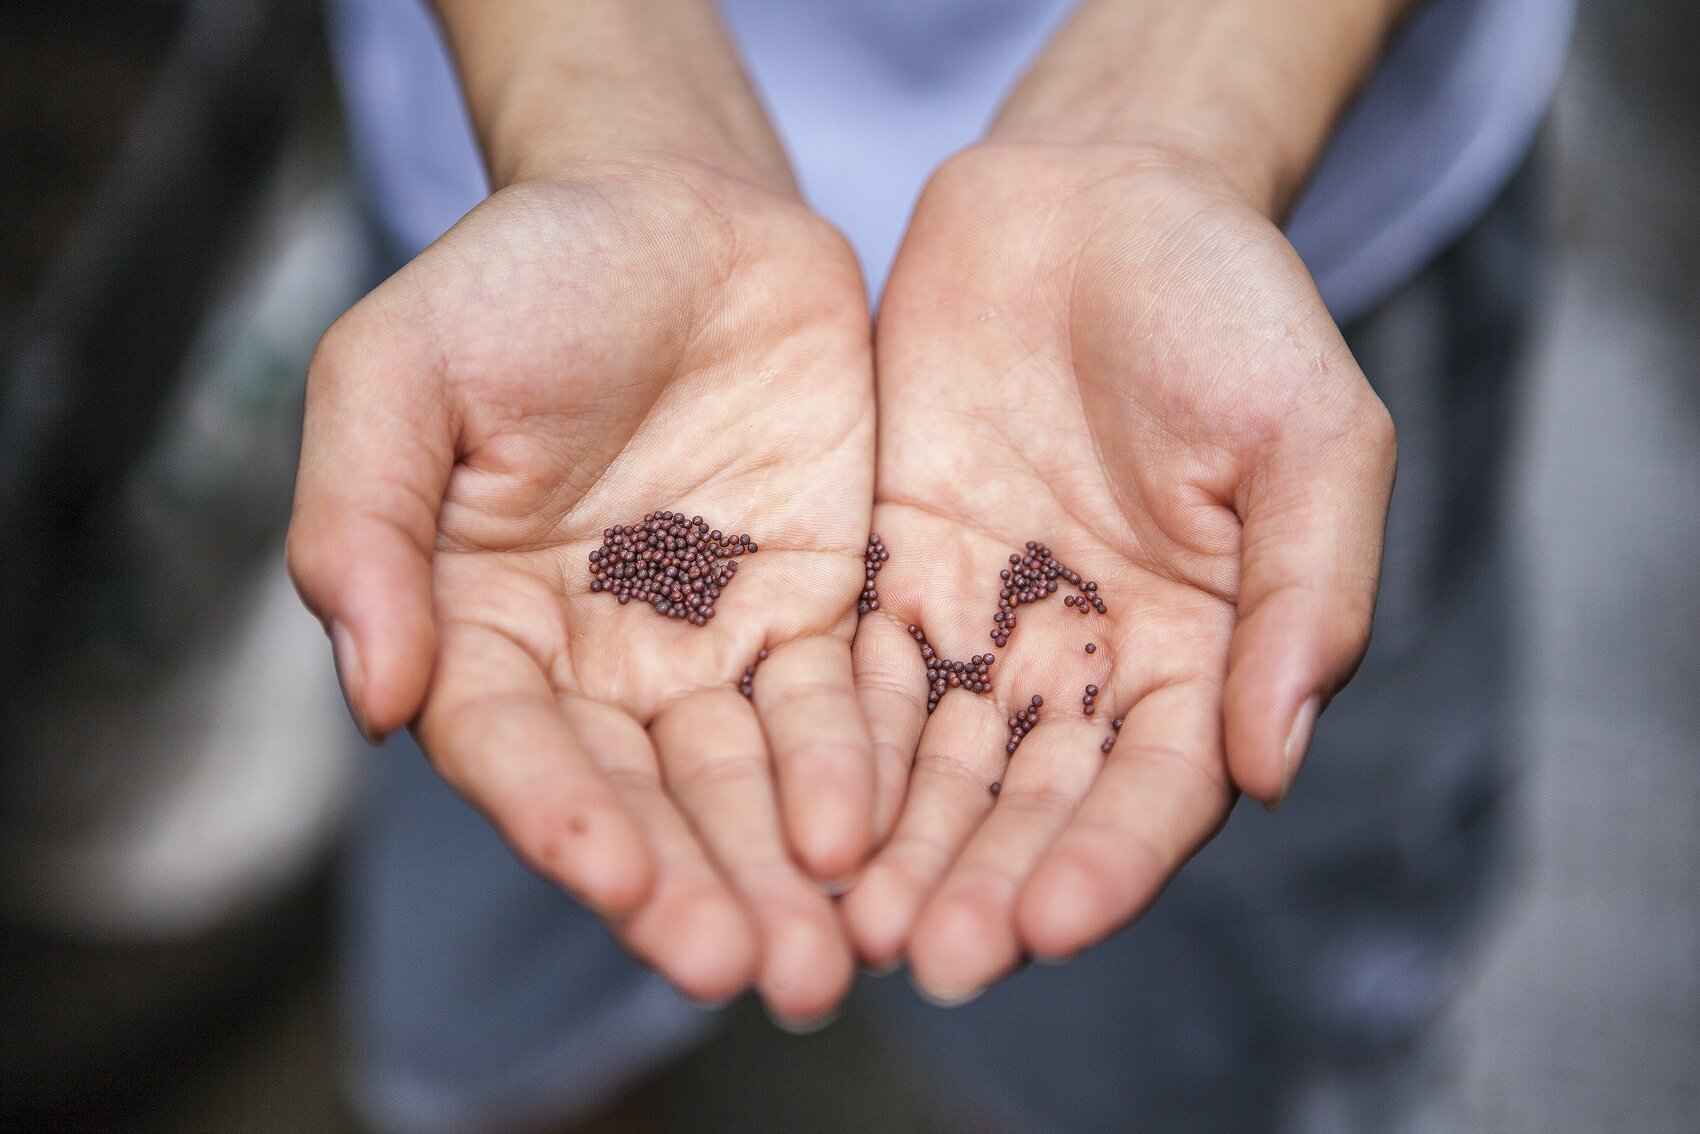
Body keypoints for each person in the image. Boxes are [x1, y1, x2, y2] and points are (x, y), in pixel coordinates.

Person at [288, 0, 1574, 1130]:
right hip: (567, 319)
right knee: (509, 968)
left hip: (1240, 271)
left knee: (1172, 1043)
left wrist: (1179, 108)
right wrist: (598, 99)